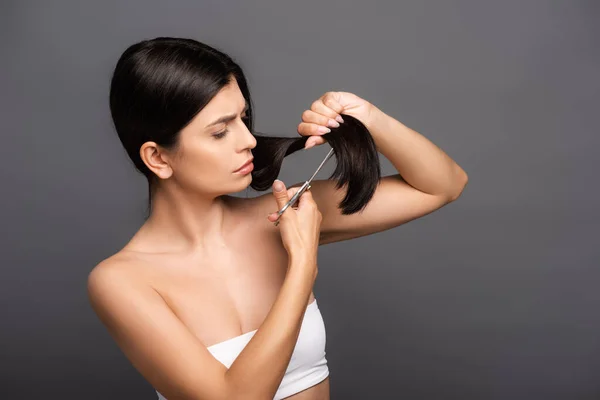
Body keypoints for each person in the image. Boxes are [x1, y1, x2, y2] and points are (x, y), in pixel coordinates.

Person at [87, 37, 468, 400]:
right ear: (158, 158)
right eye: (220, 132)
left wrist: (367, 116)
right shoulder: (122, 282)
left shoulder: (281, 214)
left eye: (243, 118)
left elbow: (441, 186)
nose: (248, 139)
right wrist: (302, 265)